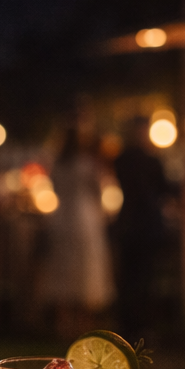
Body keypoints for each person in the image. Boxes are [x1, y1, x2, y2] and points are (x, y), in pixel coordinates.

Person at [37, 127, 114, 338]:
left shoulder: (58, 163)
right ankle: (84, 326)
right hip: (85, 221)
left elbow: (53, 188)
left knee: (63, 271)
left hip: (61, 219)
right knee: (85, 272)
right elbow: (100, 190)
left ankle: (63, 325)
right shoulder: (89, 164)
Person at [112, 116, 171, 344]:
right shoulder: (144, 160)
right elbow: (162, 189)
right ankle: (137, 325)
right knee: (140, 280)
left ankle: (133, 325)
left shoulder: (125, 159)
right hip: (142, 227)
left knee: (135, 280)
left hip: (133, 226)